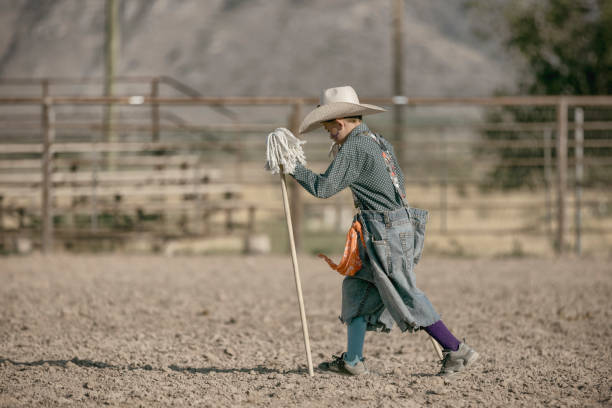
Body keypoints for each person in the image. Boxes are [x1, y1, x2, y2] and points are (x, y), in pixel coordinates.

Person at [289, 85, 479, 376]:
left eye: (329, 129)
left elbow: (323, 188)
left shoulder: (354, 145)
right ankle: (353, 361)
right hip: (391, 225)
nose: (328, 134)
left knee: (404, 292)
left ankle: (456, 350)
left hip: (384, 230)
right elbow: (398, 180)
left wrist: (292, 166)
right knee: (357, 287)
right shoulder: (377, 141)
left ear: (340, 124)